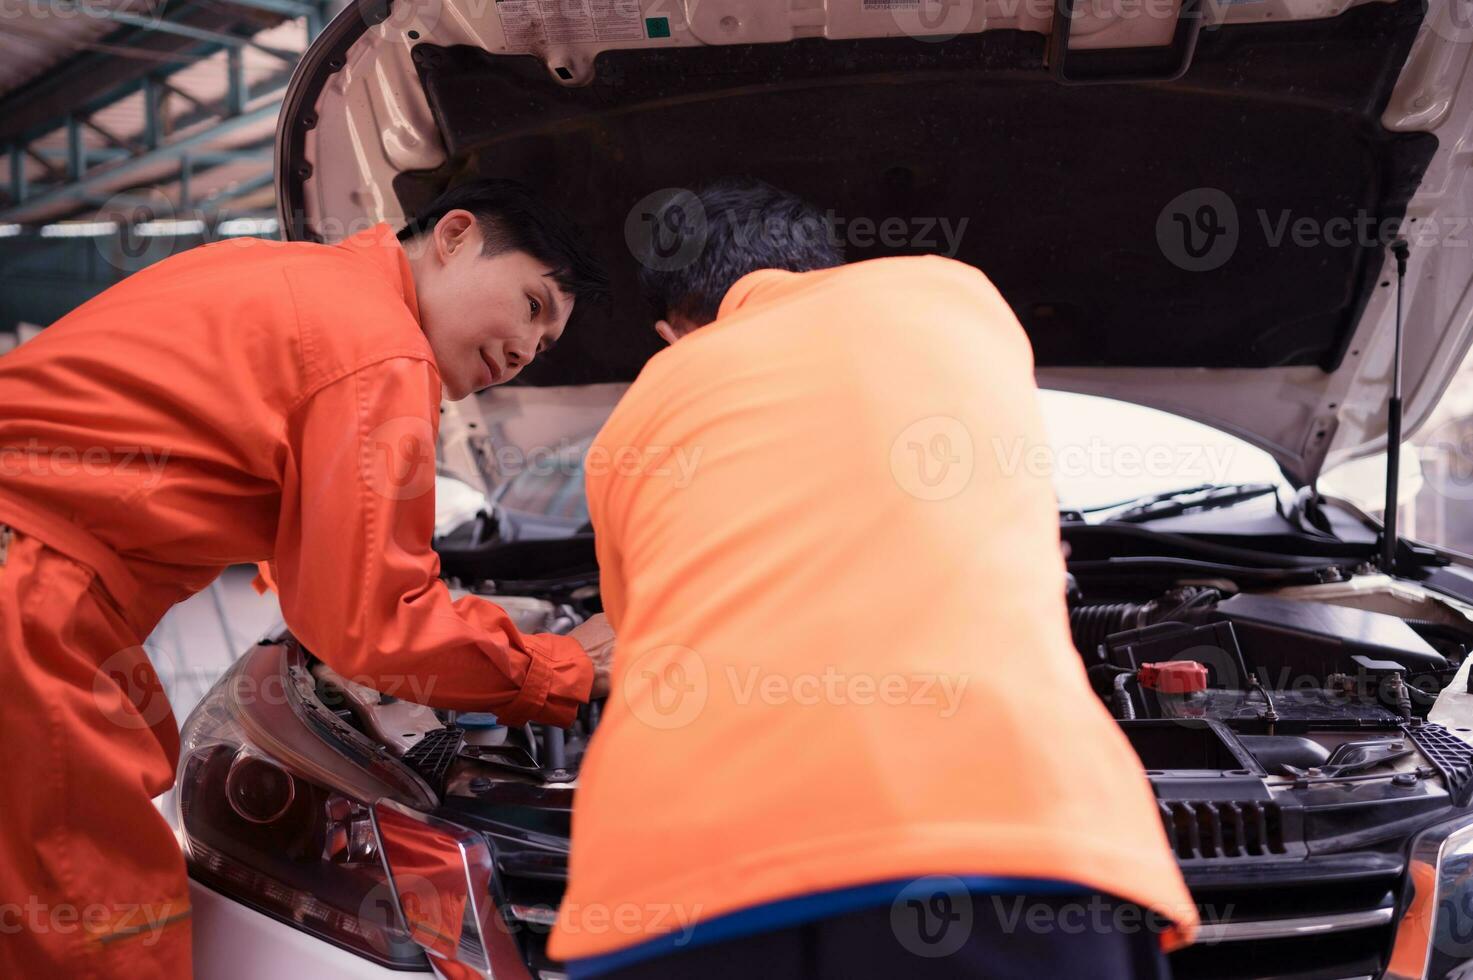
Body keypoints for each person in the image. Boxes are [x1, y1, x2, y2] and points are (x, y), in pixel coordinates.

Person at [549, 178, 1198, 978]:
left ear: (671, 332)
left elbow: (634, 635)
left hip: (681, 878)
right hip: (1017, 835)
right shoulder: (959, 301)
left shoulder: (640, 412)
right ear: (821, 265)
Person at [0, 179, 615, 978]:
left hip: (40, 568)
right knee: (102, 921)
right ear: (454, 235)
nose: (526, 353)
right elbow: (374, 626)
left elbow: (209, 425)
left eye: (547, 347)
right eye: (533, 306)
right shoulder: (380, 346)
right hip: (31, 586)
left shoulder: (281, 276)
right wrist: (563, 668)